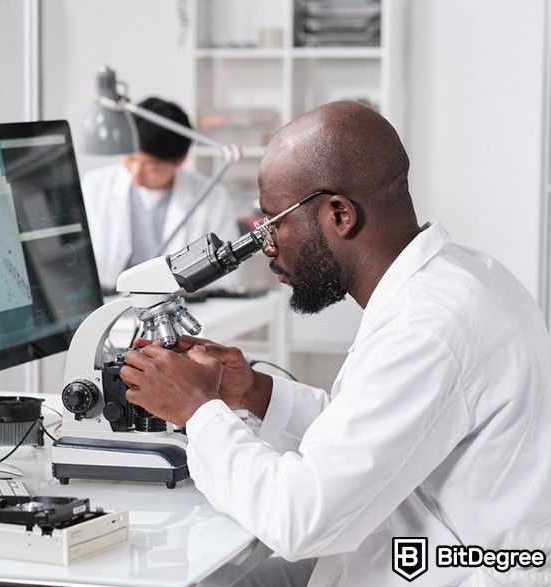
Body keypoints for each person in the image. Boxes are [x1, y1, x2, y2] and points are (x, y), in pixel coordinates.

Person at [119, 101, 551, 586]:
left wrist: (196, 410)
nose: (266, 245)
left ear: (340, 214)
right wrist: (252, 393)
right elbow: (372, 433)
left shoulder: (426, 328)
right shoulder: (463, 276)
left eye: (272, 223)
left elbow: (300, 521)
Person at [82, 96, 240, 291]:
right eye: (130, 159)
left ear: (180, 160)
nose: (136, 174)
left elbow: (226, 280)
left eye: (150, 166)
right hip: (114, 306)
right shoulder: (95, 186)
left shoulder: (212, 198)